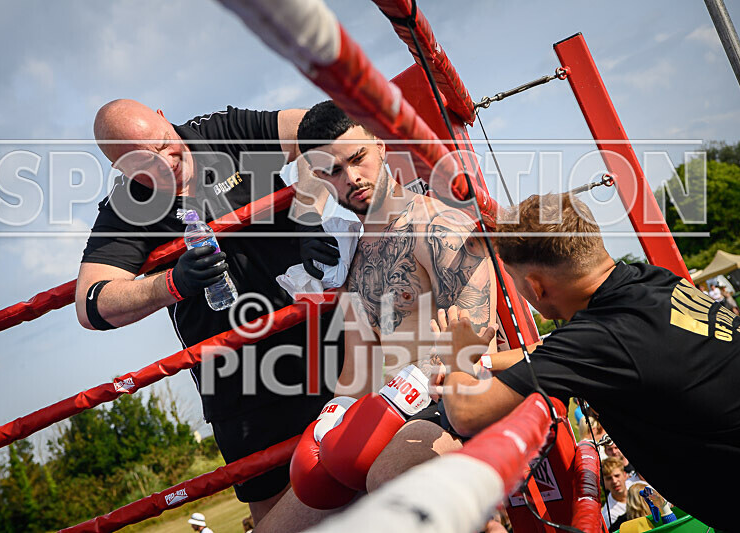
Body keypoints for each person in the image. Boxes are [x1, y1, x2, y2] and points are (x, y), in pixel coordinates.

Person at [76, 99, 342, 523]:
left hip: (322, 344)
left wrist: (308, 212)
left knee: (368, 467)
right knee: (278, 515)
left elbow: (322, 129)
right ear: (122, 171)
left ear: (165, 118)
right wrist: (170, 283)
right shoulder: (128, 205)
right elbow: (91, 303)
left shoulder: (222, 131)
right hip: (240, 382)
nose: (167, 164)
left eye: (166, 145)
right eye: (146, 164)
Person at [427, 193, 740, 531]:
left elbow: (466, 414)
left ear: (535, 287)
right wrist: (488, 360)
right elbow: (555, 350)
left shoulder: (600, 336)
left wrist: (457, 357)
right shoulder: (649, 282)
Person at [253, 101, 505, 531]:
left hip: (453, 401)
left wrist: (408, 391)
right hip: (383, 415)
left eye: (357, 159)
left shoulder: (438, 227)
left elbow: (477, 338)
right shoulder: (350, 257)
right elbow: (359, 366)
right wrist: (335, 413)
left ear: (380, 145)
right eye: (332, 171)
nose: (351, 178)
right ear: (318, 177)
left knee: (387, 477)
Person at [600, 456, 634, 530]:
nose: (614, 481)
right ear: (604, 484)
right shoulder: (608, 515)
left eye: (617, 476)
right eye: (609, 478)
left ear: (625, 475)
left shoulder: (639, 487)